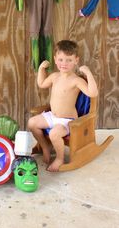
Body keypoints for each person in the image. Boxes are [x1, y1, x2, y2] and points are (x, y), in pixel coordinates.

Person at [28, 40, 98, 172]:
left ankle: (59, 158)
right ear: (55, 59)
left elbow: (92, 93)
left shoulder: (76, 80)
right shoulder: (54, 76)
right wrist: (41, 69)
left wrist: (88, 73)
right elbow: (42, 84)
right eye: (60, 59)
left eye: (69, 60)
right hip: (52, 116)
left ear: (76, 60)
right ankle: (45, 147)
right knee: (32, 123)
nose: (64, 64)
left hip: (67, 121)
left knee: (54, 134)